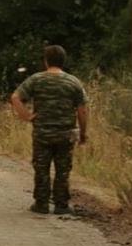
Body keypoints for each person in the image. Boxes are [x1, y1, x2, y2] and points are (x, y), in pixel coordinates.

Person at [10, 44, 89, 214]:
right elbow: (82, 111)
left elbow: (15, 97)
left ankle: (42, 203)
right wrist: (83, 134)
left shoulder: (36, 79)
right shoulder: (74, 82)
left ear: (46, 62)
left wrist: (27, 116)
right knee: (63, 169)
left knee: (41, 167)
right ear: (63, 61)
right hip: (66, 134)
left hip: (42, 133)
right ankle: (61, 204)